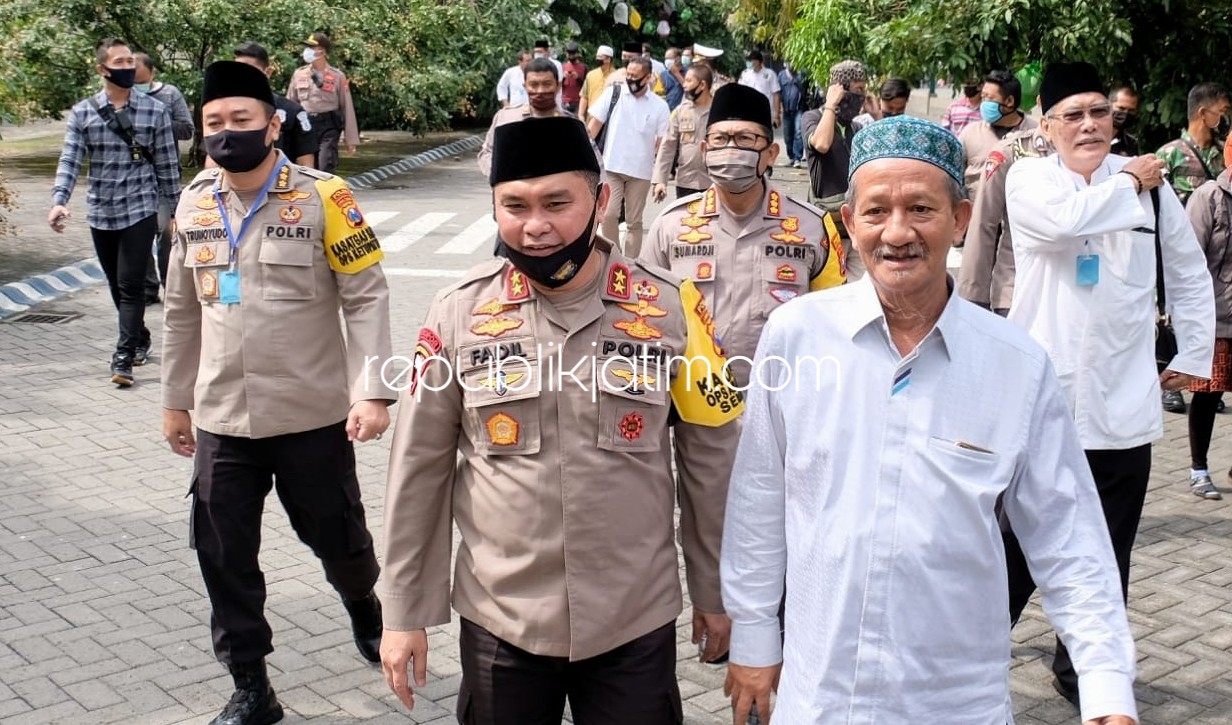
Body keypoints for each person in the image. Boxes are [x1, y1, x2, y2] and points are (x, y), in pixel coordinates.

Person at [721, 114, 1139, 725]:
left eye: (921, 208)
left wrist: (1105, 684)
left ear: (960, 219)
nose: (897, 232)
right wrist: (755, 635)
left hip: (956, 700)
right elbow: (760, 496)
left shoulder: (1016, 363)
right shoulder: (797, 336)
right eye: (876, 211)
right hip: (822, 694)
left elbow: (1067, 533)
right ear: (848, 223)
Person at [379, 115, 744, 724]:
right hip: (503, 619)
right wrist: (403, 610)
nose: (536, 226)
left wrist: (717, 593)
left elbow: (712, 464)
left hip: (633, 618)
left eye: (556, 203)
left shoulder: (672, 306)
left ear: (601, 200)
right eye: (514, 206)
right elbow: (418, 468)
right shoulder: (456, 313)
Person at [161, 60, 395, 725]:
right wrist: (175, 399)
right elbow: (181, 309)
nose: (226, 132)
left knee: (339, 539)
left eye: (241, 119)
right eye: (214, 122)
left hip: (311, 414)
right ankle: (251, 685)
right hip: (223, 419)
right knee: (222, 555)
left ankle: (362, 602)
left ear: (272, 124)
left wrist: (372, 391)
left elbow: (366, 295)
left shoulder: (326, 197)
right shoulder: (194, 202)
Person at [1004, 61, 1214, 708]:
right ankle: (968, 652)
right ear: (1047, 127)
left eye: (1100, 111)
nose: (1090, 124)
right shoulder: (1030, 179)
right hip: (1039, 401)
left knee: (1107, 550)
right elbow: (1064, 224)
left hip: (1122, 398)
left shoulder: (1151, 188)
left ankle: (1083, 669)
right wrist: (1127, 180)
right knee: (1013, 545)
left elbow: (1187, 268)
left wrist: (1195, 352)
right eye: (1074, 114)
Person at [644, 81, 845, 390]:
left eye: (745, 139)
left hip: (780, 398)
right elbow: (647, 316)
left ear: (771, 154)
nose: (731, 149)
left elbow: (833, 323)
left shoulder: (812, 228)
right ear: (704, 150)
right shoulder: (671, 226)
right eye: (720, 139)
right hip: (694, 405)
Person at [49, 37, 181, 387]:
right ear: (102, 69)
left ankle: (123, 357)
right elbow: (70, 159)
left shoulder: (155, 111)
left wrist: (176, 209)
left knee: (130, 284)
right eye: (119, 62)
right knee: (115, 283)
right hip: (101, 210)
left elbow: (167, 164)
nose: (127, 67)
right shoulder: (83, 112)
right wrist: (60, 199)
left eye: (130, 62)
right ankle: (139, 335)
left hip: (140, 206)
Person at [956, 127, 1052, 315]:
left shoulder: (1101, 156)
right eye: (1073, 115)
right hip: (1017, 290)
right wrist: (974, 297)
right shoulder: (1013, 151)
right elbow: (983, 224)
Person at [1182, 159, 1232, 499]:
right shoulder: (1209, 196)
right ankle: (1198, 469)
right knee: (1207, 393)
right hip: (1216, 317)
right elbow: (1187, 259)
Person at [586, 56, 670, 258]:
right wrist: (585, 155)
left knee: (634, 222)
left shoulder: (659, 106)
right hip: (612, 166)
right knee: (608, 215)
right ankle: (614, 256)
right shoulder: (614, 94)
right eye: (628, 75)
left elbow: (663, 145)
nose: (631, 79)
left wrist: (660, 179)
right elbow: (594, 126)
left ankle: (630, 263)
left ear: (647, 77)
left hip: (641, 172)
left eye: (635, 76)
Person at [133, 51, 194, 306]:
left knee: (166, 233)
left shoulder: (169, 94)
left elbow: (187, 129)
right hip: (134, 179)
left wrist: (157, 119)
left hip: (164, 177)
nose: (137, 85)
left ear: (152, 73)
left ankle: (171, 286)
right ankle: (148, 288)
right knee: (139, 236)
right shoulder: (123, 99)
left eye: (141, 80)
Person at [802, 59, 867, 278]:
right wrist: (831, 105)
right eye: (858, 90)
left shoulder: (856, 127)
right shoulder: (812, 118)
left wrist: (876, 112)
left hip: (854, 227)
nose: (862, 96)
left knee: (858, 289)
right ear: (840, 90)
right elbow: (821, 144)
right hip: (827, 227)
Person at [478, 58, 572, 177]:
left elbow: (589, 166)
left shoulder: (571, 125)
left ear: (558, 86)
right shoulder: (505, 119)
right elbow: (487, 152)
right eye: (534, 85)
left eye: (547, 84)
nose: (540, 91)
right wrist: (500, 176)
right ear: (525, 86)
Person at [233, 42, 318, 168]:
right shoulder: (225, 111)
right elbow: (212, 162)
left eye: (249, 71)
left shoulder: (292, 112)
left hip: (281, 178)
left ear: (267, 72)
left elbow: (306, 164)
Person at [958, 69, 1037, 203]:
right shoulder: (970, 133)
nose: (984, 103)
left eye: (989, 98)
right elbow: (955, 178)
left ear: (1009, 101)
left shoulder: (1036, 133)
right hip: (976, 213)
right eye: (983, 97)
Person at [286, 32, 359, 174]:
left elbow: (347, 107)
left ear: (323, 51)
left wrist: (350, 140)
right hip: (305, 125)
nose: (308, 51)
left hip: (328, 126)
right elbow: (290, 103)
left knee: (326, 164)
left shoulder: (338, 76)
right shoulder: (299, 74)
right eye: (308, 47)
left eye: (312, 48)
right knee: (307, 170)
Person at [1157, 82, 1230, 205]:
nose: (1227, 117)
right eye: (1223, 111)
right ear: (1203, 113)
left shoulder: (1226, 153)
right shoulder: (1169, 155)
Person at [652, 63, 714, 200]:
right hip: (686, 182)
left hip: (714, 183)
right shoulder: (680, 111)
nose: (684, 85)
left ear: (702, 85)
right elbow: (668, 146)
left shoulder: (718, 112)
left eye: (689, 81)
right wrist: (660, 180)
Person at [738, 50, 781, 129]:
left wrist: (777, 116)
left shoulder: (770, 74)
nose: (751, 62)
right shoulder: (745, 74)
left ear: (759, 61)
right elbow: (740, 93)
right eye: (750, 60)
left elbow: (776, 94)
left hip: (765, 112)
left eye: (753, 60)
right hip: (748, 113)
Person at [777, 60, 806, 168]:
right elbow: (778, 92)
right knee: (787, 136)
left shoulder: (801, 75)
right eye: (789, 62)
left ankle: (797, 158)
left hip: (799, 109)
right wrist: (779, 109)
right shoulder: (781, 75)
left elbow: (805, 90)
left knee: (798, 132)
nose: (791, 64)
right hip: (786, 110)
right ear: (785, 63)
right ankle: (791, 158)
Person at [577, 44, 615, 120]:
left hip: (610, 119)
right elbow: (584, 96)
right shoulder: (590, 75)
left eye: (600, 57)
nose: (598, 59)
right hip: (591, 118)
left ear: (608, 59)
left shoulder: (616, 76)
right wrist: (581, 115)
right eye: (597, 57)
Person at [1109, 86, 1141, 157]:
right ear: (1109, 106)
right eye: (1121, 108)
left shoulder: (1131, 144)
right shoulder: (1090, 134)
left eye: (1131, 110)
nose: (1126, 113)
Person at [561, 41, 586, 115]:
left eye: (573, 54)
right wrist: (563, 78)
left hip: (578, 102)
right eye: (569, 54)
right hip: (565, 102)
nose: (571, 56)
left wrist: (578, 78)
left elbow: (586, 86)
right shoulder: (562, 66)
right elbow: (557, 86)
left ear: (577, 54)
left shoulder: (584, 67)